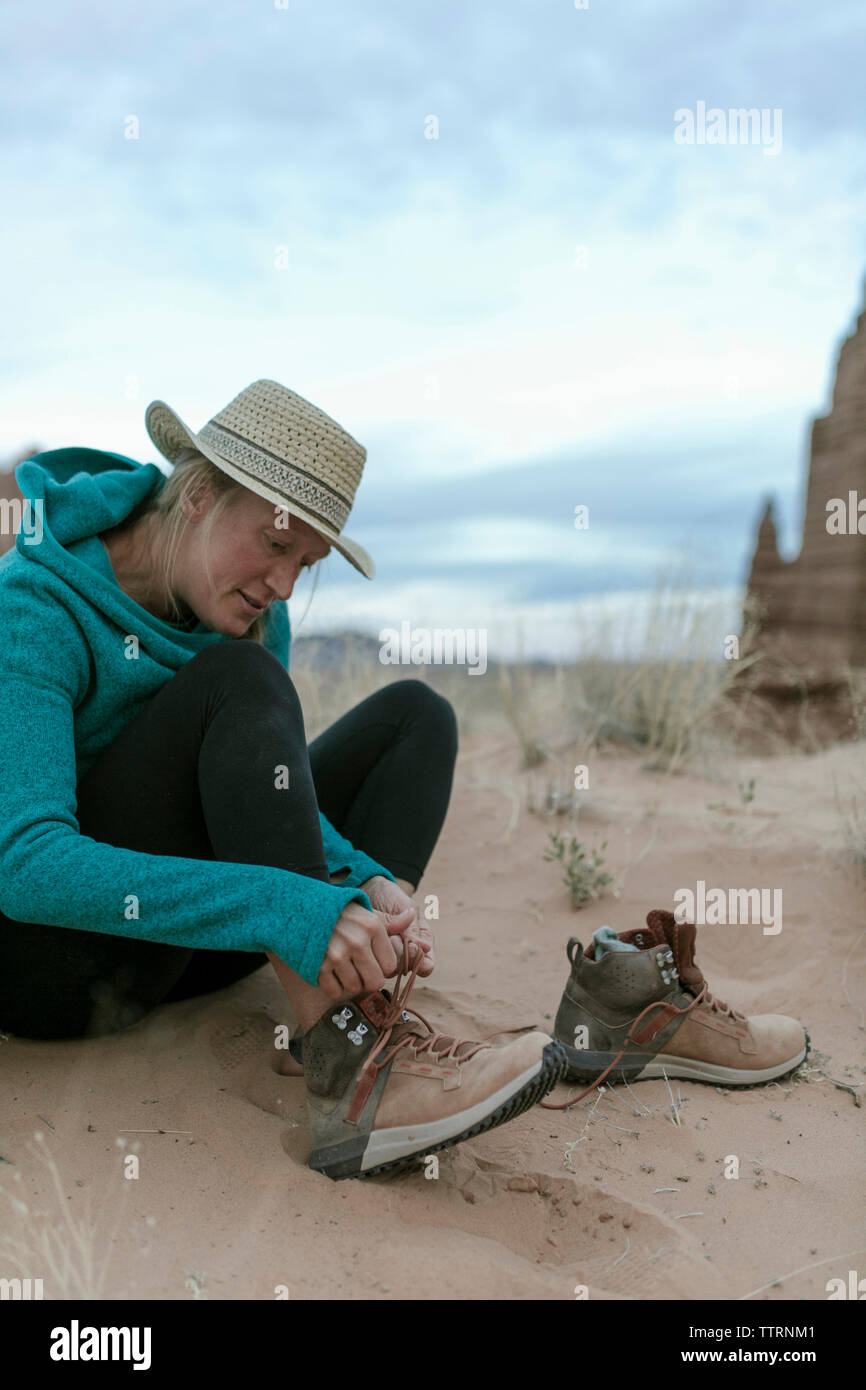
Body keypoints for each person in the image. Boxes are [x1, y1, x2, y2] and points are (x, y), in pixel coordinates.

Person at [0, 379, 566, 1180]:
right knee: (241, 680)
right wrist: (287, 903)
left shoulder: (256, 615)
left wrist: (358, 878)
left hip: (186, 944)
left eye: (307, 562)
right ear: (196, 495)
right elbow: (23, 869)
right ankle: (350, 1067)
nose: (285, 584)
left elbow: (267, 785)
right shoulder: (32, 604)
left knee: (416, 718)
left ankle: (365, 979)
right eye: (275, 544)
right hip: (56, 970)